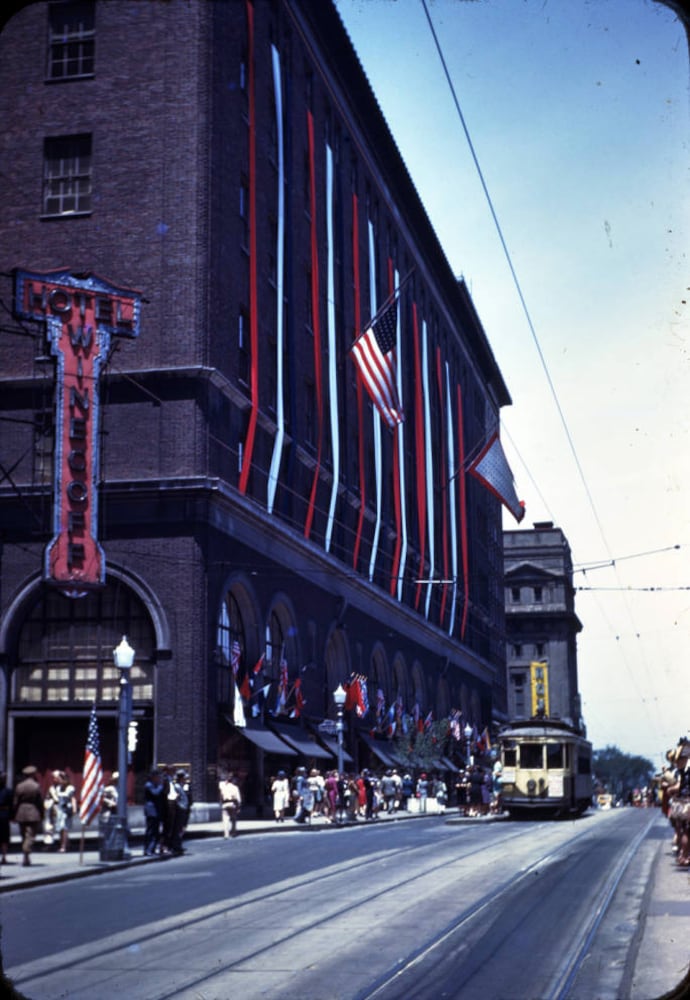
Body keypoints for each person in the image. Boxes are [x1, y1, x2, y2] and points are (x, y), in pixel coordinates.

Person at [12, 765, 44, 867]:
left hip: (21, 812)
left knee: (23, 834)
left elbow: (15, 802)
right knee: (30, 835)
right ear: (33, 774)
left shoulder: (19, 786)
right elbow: (39, 802)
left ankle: (26, 856)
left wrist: (13, 814)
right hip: (33, 811)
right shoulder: (36, 786)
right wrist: (42, 813)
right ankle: (26, 851)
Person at [49, 771, 77, 852]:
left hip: (67, 809)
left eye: (61, 779)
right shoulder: (58, 787)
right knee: (60, 827)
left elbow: (70, 797)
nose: (60, 780)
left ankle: (63, 846)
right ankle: (65, 843)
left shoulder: (70, 788)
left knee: (65, 827)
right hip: (60, 809)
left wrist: (74, 809)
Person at [143, 768, 166, 855]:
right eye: (157, 777)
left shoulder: (155, 784)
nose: (159, 779)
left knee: (155, 831)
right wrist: (161, 786)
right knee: (150, 831)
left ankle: (152, 849)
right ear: (153, 777)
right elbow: (155, 793)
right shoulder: (149, 785)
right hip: (151, 811)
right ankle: (147, 849)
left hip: (156, 811)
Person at [219, 771, 242, 838]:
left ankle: (226, 834)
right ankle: (233, 832)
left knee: (225, 819)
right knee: (233, 819)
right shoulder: (235, 788)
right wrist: (239, 807)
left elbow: (220, 795)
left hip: (225, 804)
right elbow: (238, 799)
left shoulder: (223, 787)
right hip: (232, 804)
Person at [0, 772, 13, 863]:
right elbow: (11, 805)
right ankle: (4, 856)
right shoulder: (8, 791)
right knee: (4, 838)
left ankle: (4, 857)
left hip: (4, 815)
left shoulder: (8, 791)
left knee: (4, 837)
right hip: (4, 815)